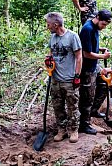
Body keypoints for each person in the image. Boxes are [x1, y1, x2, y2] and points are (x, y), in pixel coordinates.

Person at [45, 12, 82, 143]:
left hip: (69, 79)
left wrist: (77, 75)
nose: (47, 26)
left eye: (48, 24)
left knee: (72, 106)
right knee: (57, 106)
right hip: (55, 79)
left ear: (56, 24)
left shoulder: (72, 37)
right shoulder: (53, 37)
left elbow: (79, 57)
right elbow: (51, 53)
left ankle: (74, 130)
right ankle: (62, 129)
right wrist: (48, 60)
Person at [78, 9, 112, 135]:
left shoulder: (95, 27)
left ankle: (94, 110)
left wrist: (100, 49)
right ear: (97, 17)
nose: (104, 27)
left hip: (94, 65)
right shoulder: (87, 29)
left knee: (105, 84)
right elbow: (86, 53)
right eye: (103, 24)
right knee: (87, 97)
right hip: (86, 68)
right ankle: (84, 124)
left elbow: (90, 46)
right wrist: (103, 57)